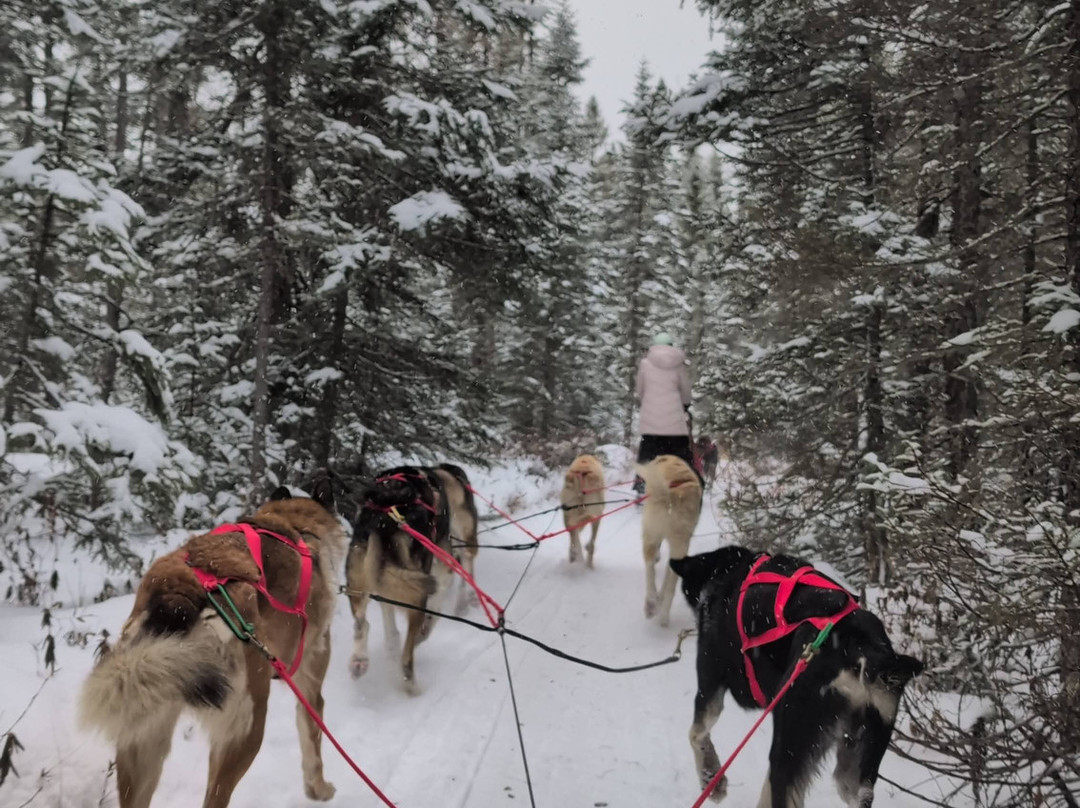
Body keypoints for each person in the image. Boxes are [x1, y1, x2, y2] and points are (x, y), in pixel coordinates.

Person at [633, 332, 697, 494]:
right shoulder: (678, 364)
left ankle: (642, 485)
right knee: (680, 455)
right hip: (674, 421)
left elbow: (640, 391)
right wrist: (684, 406)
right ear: (671, 345)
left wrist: (647, 403)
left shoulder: (645, 364)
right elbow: (686, 392)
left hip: (651, 421)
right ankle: (683, 486)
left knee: (648, 452)